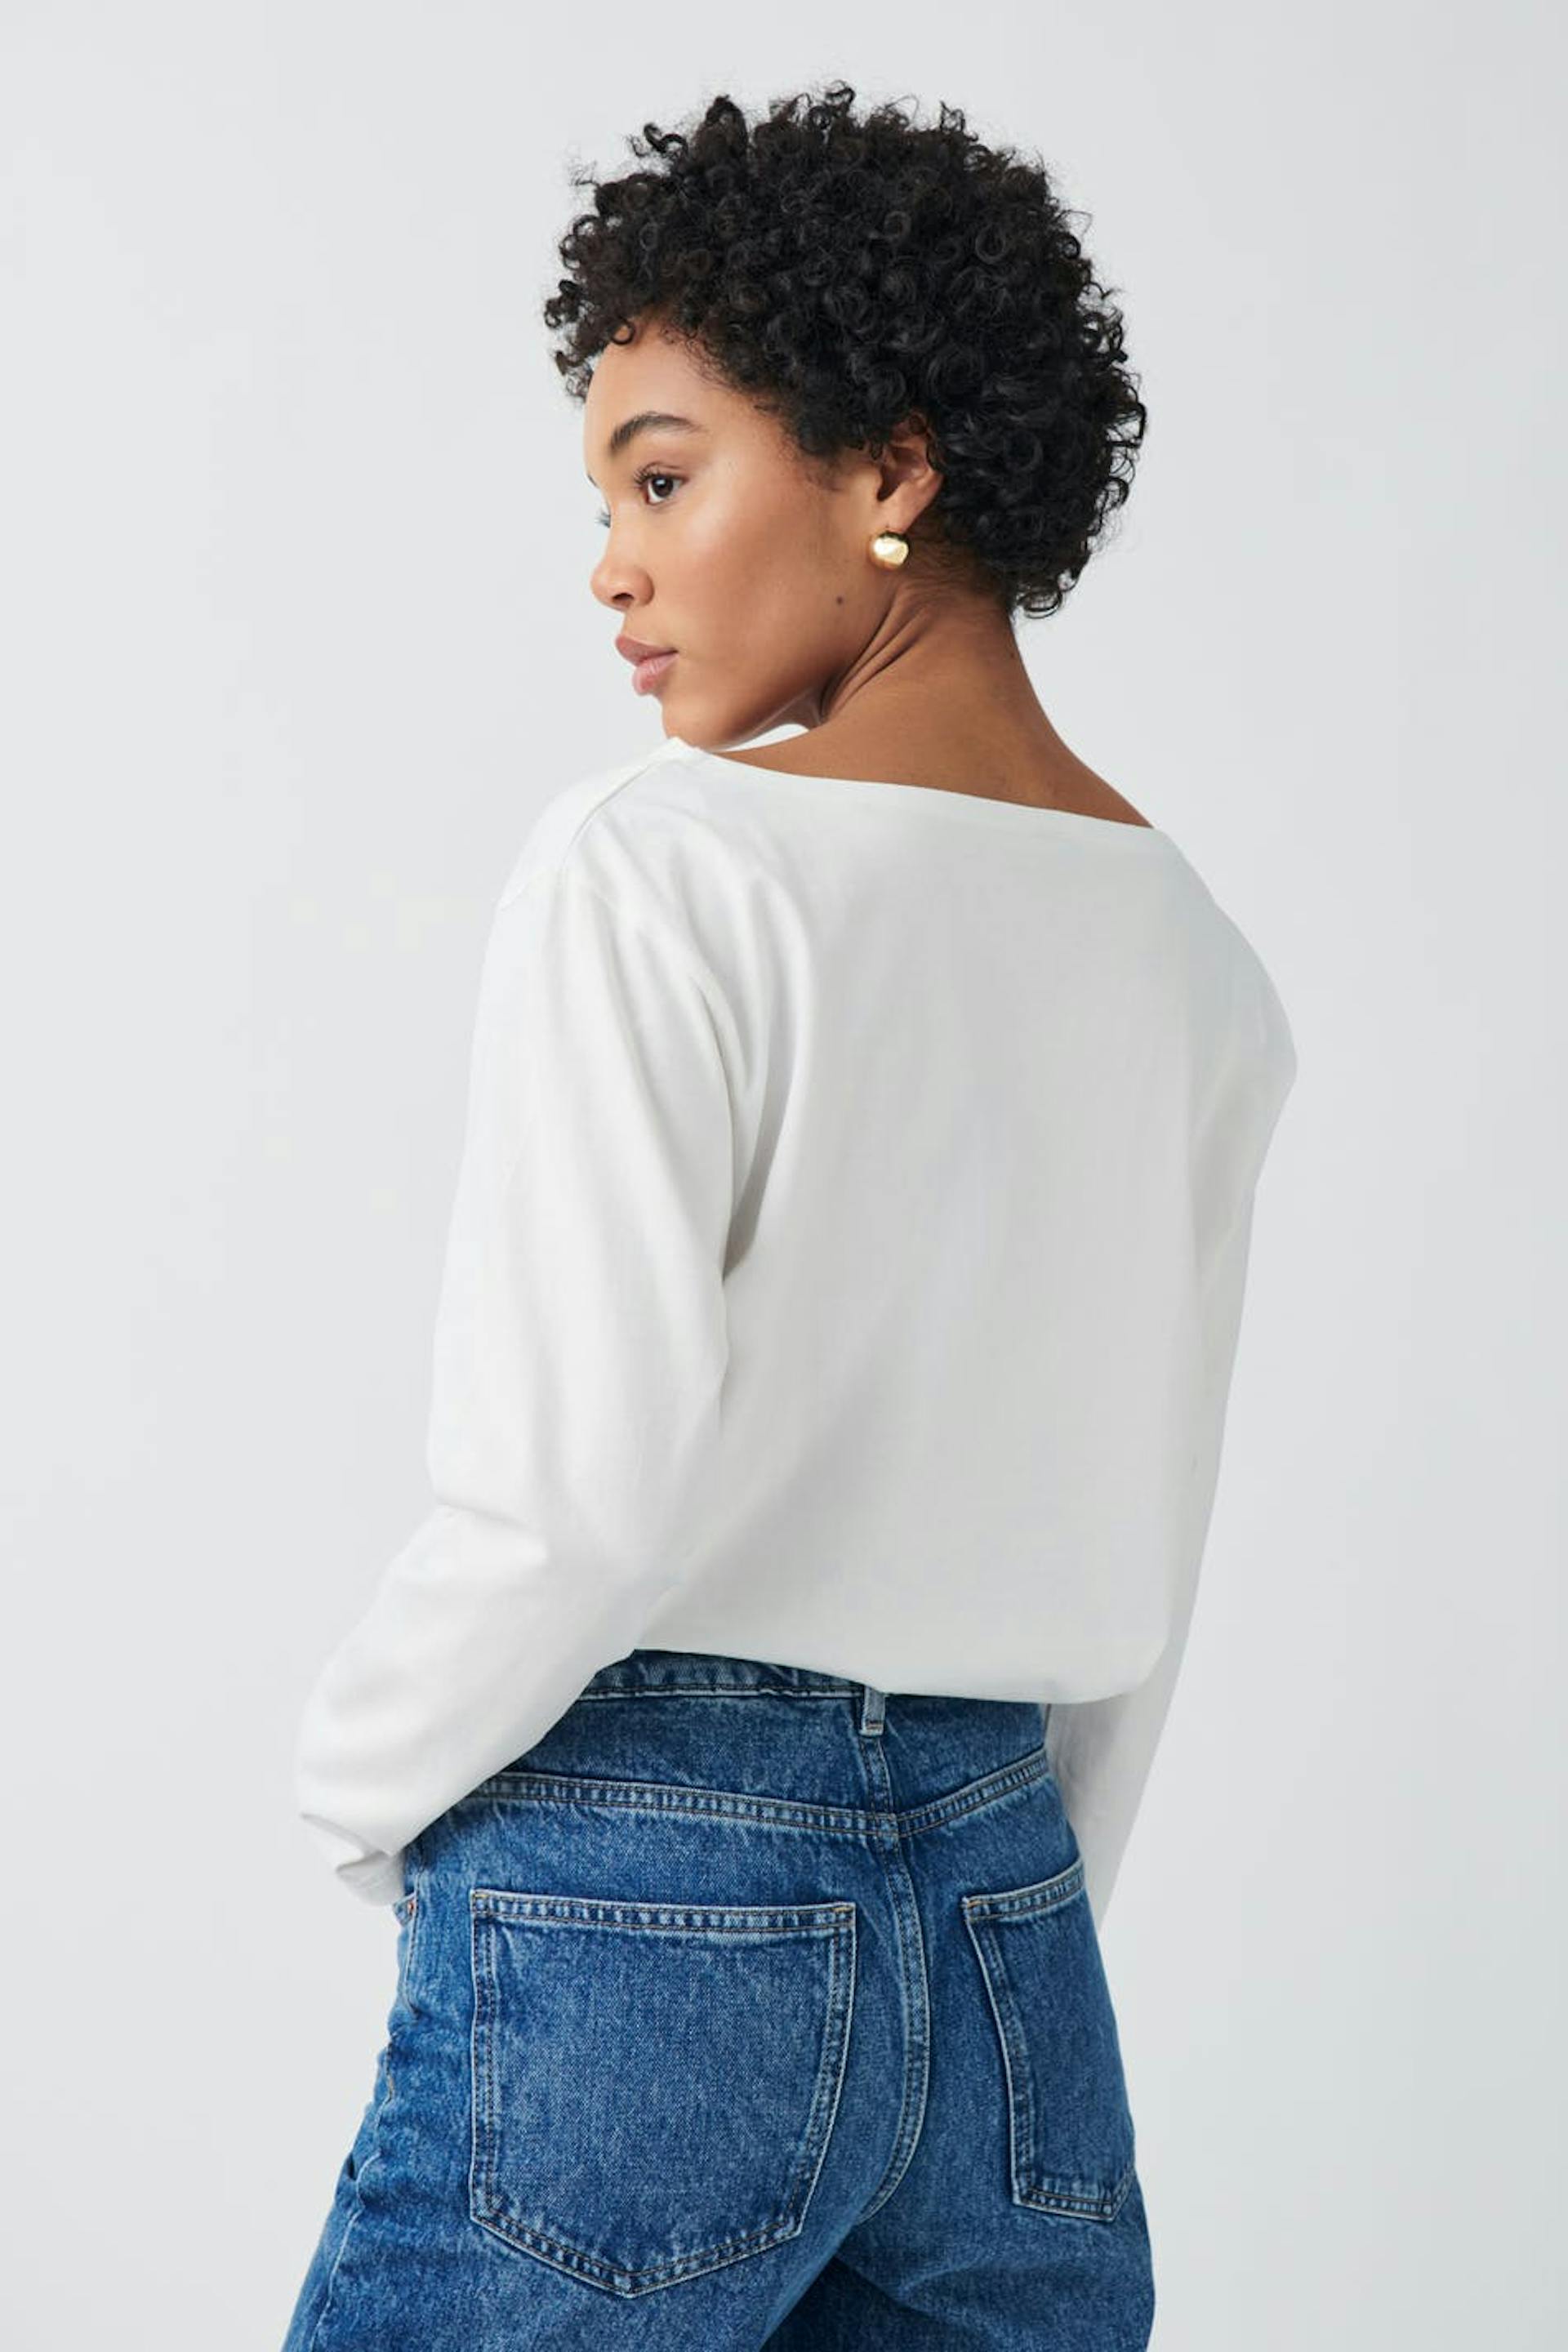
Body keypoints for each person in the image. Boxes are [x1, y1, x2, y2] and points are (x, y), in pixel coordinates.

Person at [283, 82, 1297, 2350]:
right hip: (1014, 1932)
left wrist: (367, 1789)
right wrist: (1004, 1908)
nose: (611, 567)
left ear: (893, 470)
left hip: (649, 1884)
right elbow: (1148, 1553)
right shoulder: (1199, 961)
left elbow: (580, 1497)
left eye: (661, 476)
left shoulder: (664, 868)